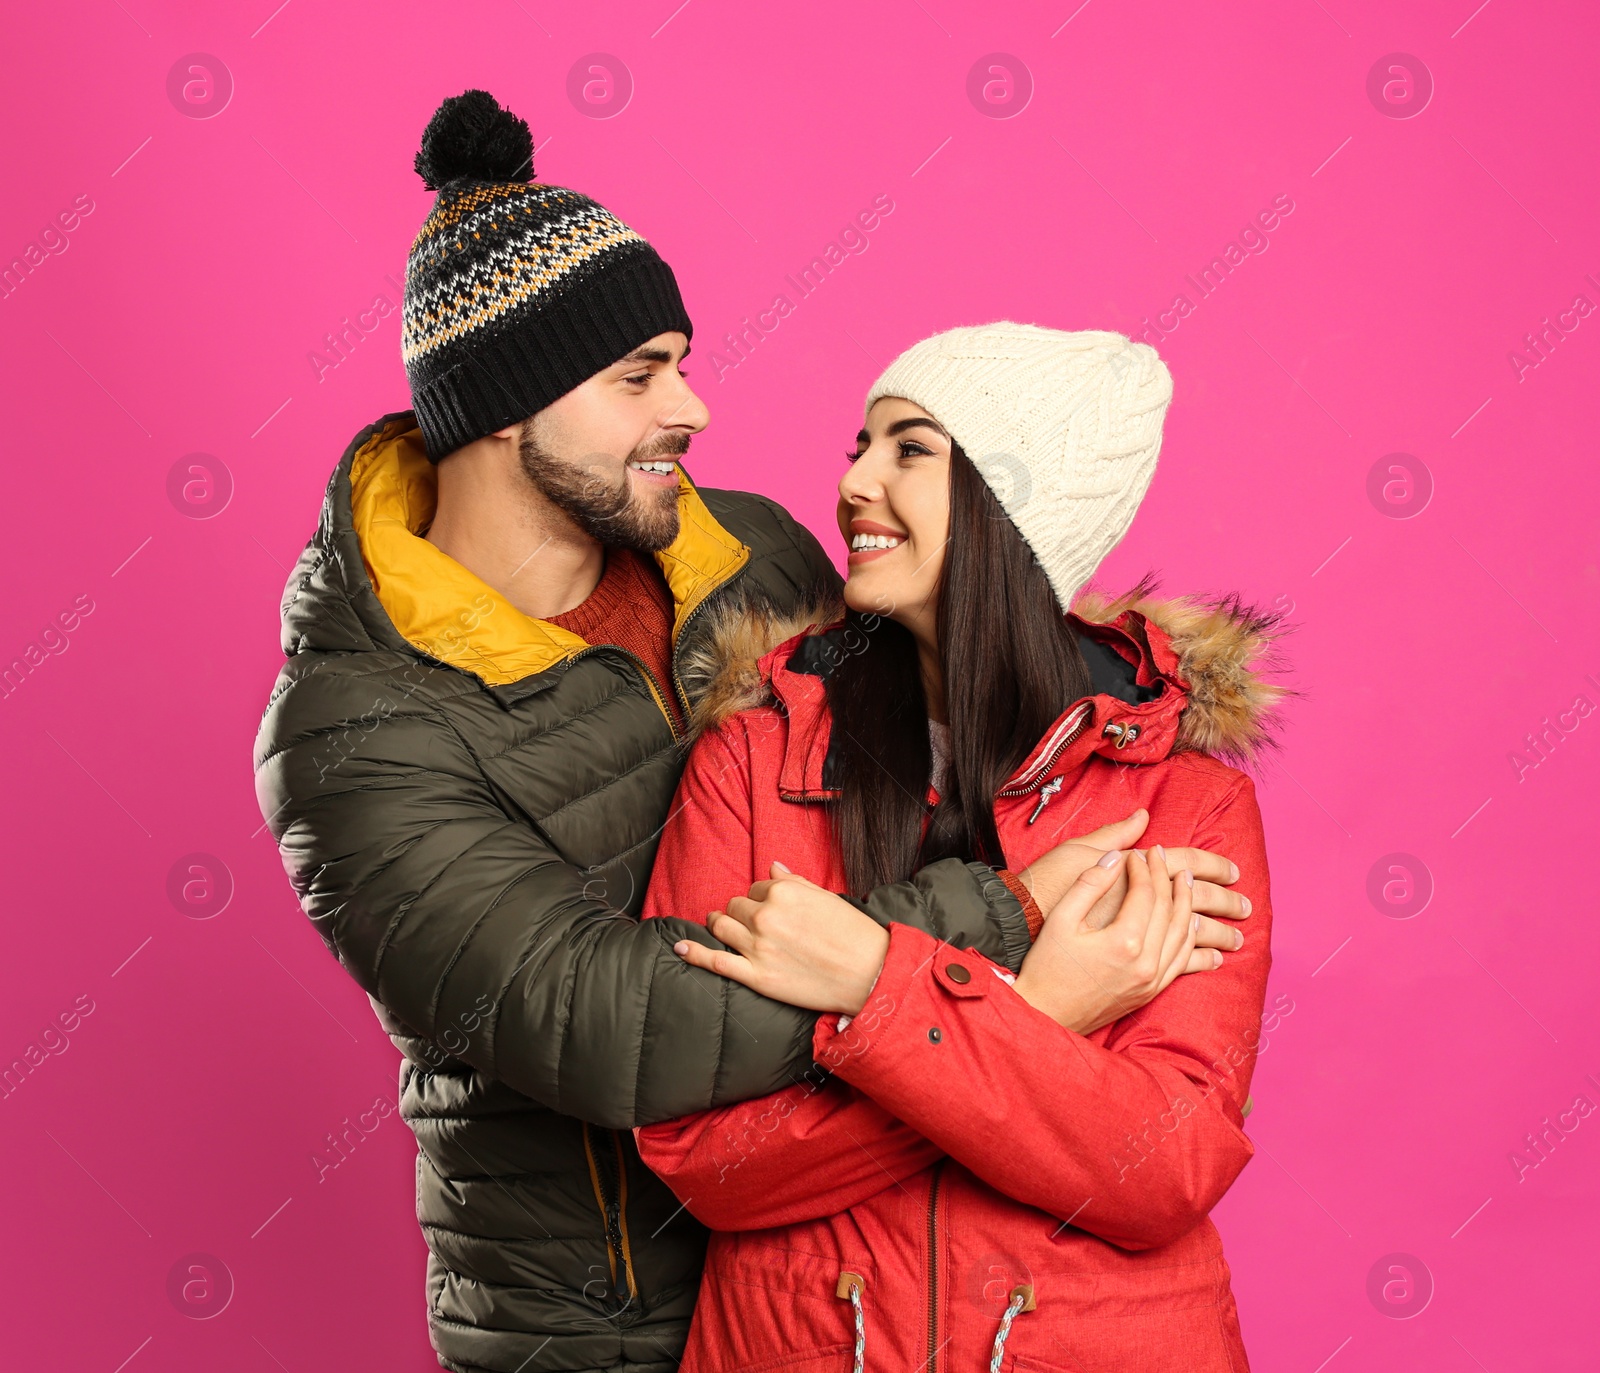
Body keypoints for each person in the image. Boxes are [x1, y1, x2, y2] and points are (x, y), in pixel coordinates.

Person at [251, 94, 1253, 1373]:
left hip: (838, 1283)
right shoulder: (355, 729)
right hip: (591, 1327)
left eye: (681, 358)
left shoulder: (749, 559)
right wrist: (1006, 949)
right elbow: (589, 1014)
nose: (696, 409)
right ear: (508, 404)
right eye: (639, 374)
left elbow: (970, 664)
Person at [637, 323, 1285, 1372]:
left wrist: (868, 977)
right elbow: (703, 1159)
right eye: (859, 445)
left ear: (1013, 504)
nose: (853, 480)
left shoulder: (1184, 804)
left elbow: (1162, 1163)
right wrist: (1041, 1012)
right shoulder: (750, 766)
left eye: (908, 449)